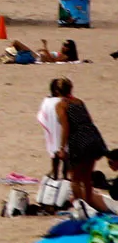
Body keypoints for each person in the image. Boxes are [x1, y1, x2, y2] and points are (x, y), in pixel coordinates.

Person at [55, 79, 112, 212]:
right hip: (93, 136)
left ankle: (81, 206)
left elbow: (66, 127)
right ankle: (89, 204)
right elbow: (89, 120)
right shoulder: (79, 102)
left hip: (78, 139)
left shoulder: (61, 105)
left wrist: (62, 148)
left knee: (74, 177)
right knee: (87, 176)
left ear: (57, 91)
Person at [38, 77, 67, 181]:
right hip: (65, 131)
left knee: (55, 156)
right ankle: (65, 177)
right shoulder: (66, 102)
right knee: (66, 156)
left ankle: (55, 176)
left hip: (53, 130)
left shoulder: (47, 101)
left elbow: (41, 117)